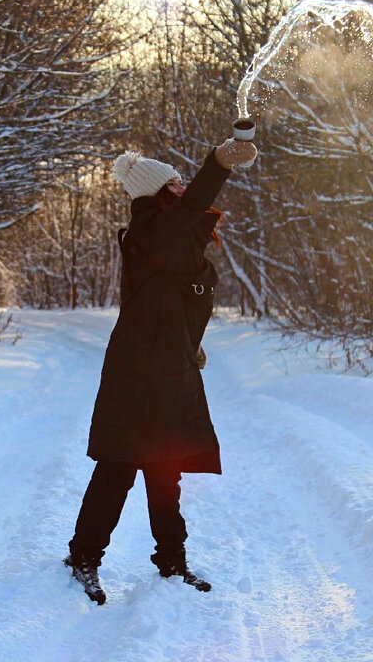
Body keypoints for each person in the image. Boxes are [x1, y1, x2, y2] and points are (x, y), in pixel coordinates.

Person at [64, 133, 259, 605]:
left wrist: (190, 346)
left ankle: (172, 562)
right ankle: (84, 559)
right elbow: (191, 209)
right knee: (118, 469)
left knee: (165, 469)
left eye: (180, 181)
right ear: (157, 194)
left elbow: (181, 297)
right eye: (173, 183)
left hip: (169, 367)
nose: (180, 186)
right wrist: (217, 163)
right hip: (135, 372)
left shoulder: (177, 239)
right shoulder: (151, 231)